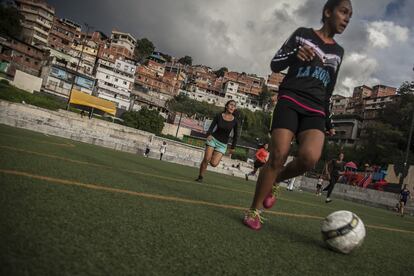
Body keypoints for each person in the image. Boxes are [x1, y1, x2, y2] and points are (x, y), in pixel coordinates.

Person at [243, 0, 352, 230]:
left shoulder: (339, 52)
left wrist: (328, 117)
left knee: (309, 158)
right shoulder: (303, 34)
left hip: (315, 109)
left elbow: (329, 89)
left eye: (350, 15)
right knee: (279, 154)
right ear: (327, 12)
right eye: (343, 12)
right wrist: (295, 55)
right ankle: (253, 210)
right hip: (290, 100)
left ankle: (277, 180)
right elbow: (275, 64)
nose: (347, 18)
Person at [195, 100, 239, 182]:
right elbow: (212, 127)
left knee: (214, 164)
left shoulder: (235, 121)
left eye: (234, 106)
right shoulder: (219, 116)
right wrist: (208, 134)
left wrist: (233, 147)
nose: (232, 106)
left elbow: (236, 135)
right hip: (213, 139)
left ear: (235, 109)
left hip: (223, 144)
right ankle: (200, 177)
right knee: (206, 158)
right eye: (231, 105)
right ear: (226, 106)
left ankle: (211, 155)